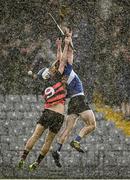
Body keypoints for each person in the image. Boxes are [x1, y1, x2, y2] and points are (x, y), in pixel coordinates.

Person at [18, 35, 72, 171]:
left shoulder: (42, 84)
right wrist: (64, 45)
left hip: (47, 112)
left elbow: (58, 62)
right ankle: (36, 162)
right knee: (49, 141)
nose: (52, 68)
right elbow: (62, 60)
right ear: (50, 73)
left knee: (35, 136)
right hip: (59, 116)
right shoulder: (58, 78)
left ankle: (23, 158)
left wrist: (60, 46)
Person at [51, 27, 96, 167]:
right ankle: (76, 141)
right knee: (92, 125)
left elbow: (61, 58)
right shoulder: (68, 67)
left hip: (72, 103)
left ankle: (57, 150)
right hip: (79, 98)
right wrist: (67, 41)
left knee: (68, 128)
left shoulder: (59, 74)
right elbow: (67, 54)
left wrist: (61, 45)